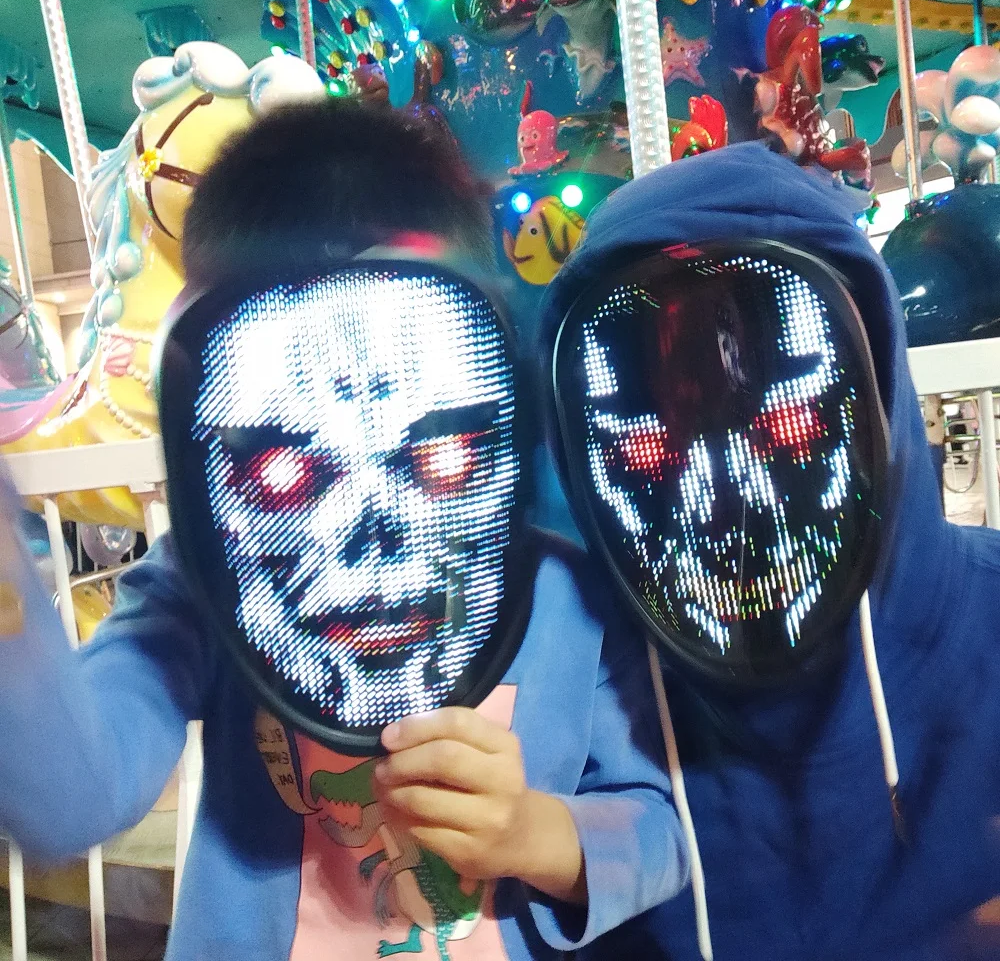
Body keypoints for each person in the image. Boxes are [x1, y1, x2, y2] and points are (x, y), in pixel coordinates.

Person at [0, 99, 689, 961]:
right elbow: (71, 795)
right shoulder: (204, 581)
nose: (373, 537)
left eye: (437, 457)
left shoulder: (571, 597)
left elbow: (664, 830)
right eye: (286, 473)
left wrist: (533, 834)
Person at [540, 141, 1000, 961]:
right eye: (652, 452)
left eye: (785, 427)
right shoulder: (577, 714)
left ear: (878, 385)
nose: (726, 506)